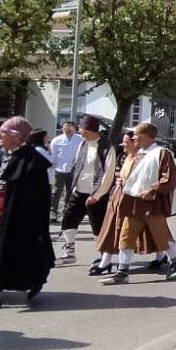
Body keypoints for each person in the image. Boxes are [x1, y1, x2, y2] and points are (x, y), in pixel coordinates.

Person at [0, 117, 55, 313]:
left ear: (16, 137)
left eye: (3, 132)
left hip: (18, 218)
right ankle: (8, 284)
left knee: (8, 253)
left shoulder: (33, 161)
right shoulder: (2, 157)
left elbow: (39, 197)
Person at [101, 122, 176, 285]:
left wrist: (152, 189)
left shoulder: (161, 153)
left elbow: (169, 178)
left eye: (136, 135)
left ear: (145, 136)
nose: (134, 138)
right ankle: (122, 272)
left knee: (161, 235)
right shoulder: (138, 154)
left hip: (151, 204)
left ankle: (175, 264)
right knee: (126, 235)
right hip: (132, 202)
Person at [59, 117, 113, 264]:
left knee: (97, 225)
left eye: (81, 129)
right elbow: (78, 166)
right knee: (68, 219)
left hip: (96, 193)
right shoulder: (83, 143)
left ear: (89, 130)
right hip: (79, 190)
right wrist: (73, 188)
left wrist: (98, 194)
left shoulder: (106, 147)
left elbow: (108, 173)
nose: (79, 132)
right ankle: (69, 251)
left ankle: (104, 257)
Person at [90, 130, 141, 276]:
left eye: (126, 141)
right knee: (113, 229)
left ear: (134, 142)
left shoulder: (142, 158)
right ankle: (106, 262)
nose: (122, 144)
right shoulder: (126, 157)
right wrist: (119, 181)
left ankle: (165, 258)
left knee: (154, 232)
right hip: (121, 199)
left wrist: (124, 182)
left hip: (137, 201)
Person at [49, 121, 83, 211]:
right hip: (59, 169)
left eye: (70, 127)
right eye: (65, 128)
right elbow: (52, 155)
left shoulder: (80, 139)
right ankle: (53, 211)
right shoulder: (56, 140)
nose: (68, 130)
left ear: (75, 129)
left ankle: (66, 209)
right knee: (56, 191)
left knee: (70, 191)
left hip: (73, 169)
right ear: (62, 129)